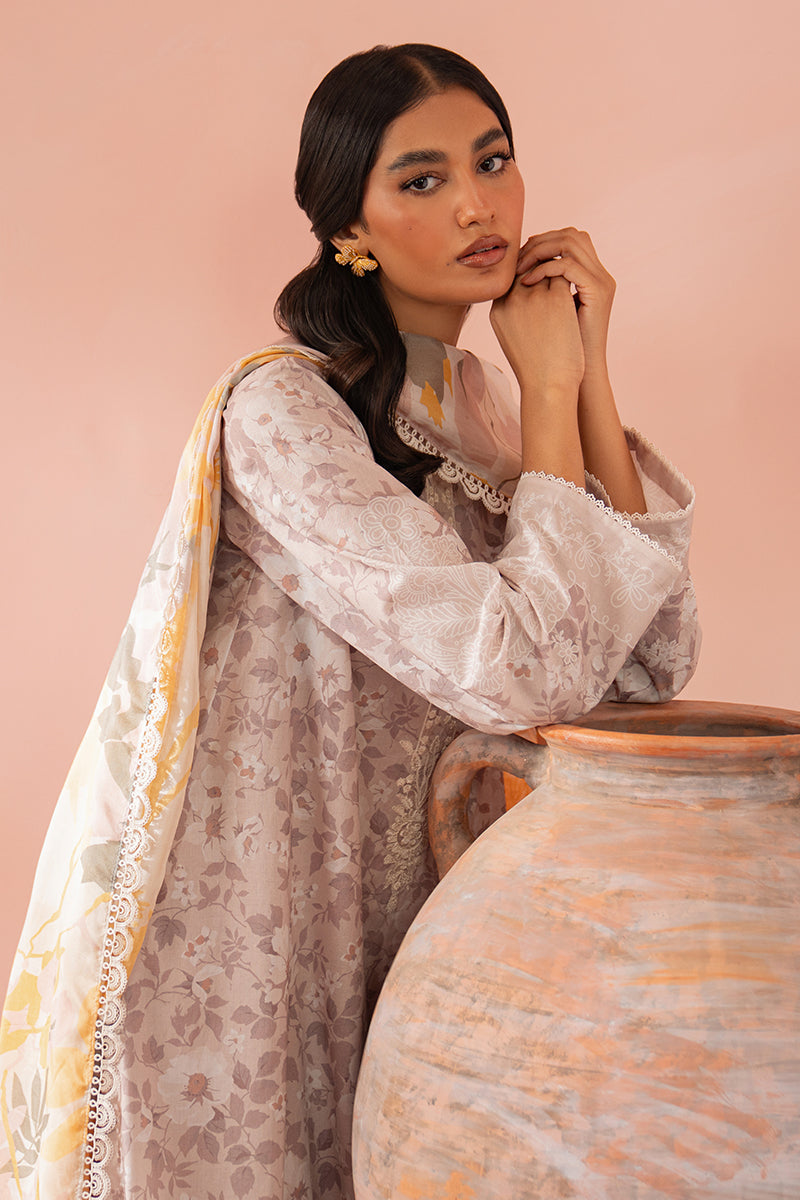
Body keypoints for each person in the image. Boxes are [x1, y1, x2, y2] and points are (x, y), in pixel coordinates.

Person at [0, 43, 698, 1200]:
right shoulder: (287, 411)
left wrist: (581, 377)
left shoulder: (483, 413)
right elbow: (519, 673)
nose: (475, 203)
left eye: (492, 161)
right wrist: (547, 397)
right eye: (422, 179)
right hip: (260, 933)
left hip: (425, 921)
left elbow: (643, 668)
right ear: (349, 228)